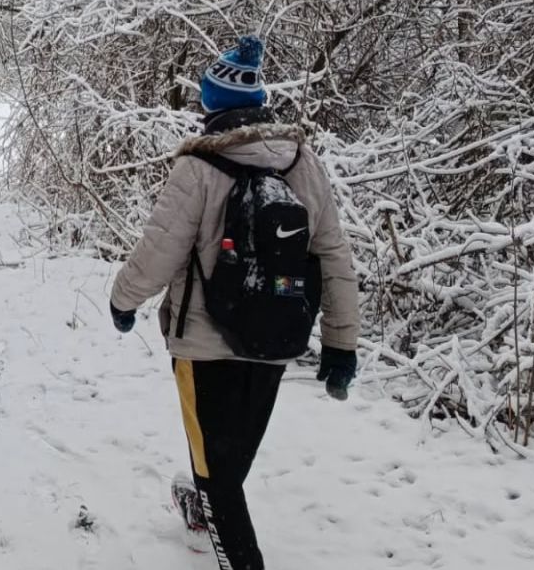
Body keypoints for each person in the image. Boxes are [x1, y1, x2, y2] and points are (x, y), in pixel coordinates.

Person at [108, 36, 359, 570]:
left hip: (203, 346)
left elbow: (159, 252)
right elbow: (333, 254)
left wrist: (122, 300)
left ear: (211, 103)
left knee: (218, 474)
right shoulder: (303, 162)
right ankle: (202, 510)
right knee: (230, 456)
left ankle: (227, 539)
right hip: (275, 338)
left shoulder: (198, 169)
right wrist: (341, 344)